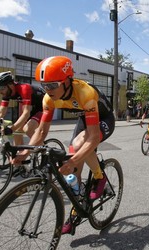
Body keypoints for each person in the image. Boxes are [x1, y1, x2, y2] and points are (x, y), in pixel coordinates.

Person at [12, 56, 115, 235]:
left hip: (104, 118)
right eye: (44, 85)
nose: (47, 90)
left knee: (78, 145)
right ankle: (78, 208)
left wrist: (73, 160)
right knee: (73, 172)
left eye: (52, 85)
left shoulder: (85, 93)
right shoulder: (48, 99)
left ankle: (100, 177)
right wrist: (23, 154)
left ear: (67, 81)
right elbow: (41, 133)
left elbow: (92, 137)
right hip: (86, 118)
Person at [0, 71, 45, 145]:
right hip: (33, 107)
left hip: (45, 106)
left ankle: (45, 151)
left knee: (28, 129)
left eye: (1, 88)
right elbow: (1, 112)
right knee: (17, 131)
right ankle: (18, 153)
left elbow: (26, 113)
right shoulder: (7, 92)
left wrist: (11, 129)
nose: (0, 91)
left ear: (10, 85)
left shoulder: (24, 88)